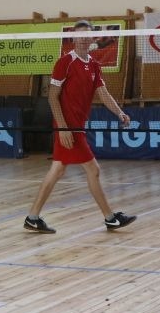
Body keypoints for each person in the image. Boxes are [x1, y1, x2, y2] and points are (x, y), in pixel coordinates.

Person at [24, 19, 137, 234]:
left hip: (77, 126)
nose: (83, 39)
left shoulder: (94, 65)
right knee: (93, 170)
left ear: (92, 37)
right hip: (68, 128)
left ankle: (32, 218)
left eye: (87, 35)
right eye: (79, 35)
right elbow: (52, 97)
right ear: (73, 38)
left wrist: (120, 112)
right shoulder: (65, 62)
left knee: (57, 170)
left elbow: (103, 93)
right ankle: (110, 218)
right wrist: (63, 128)